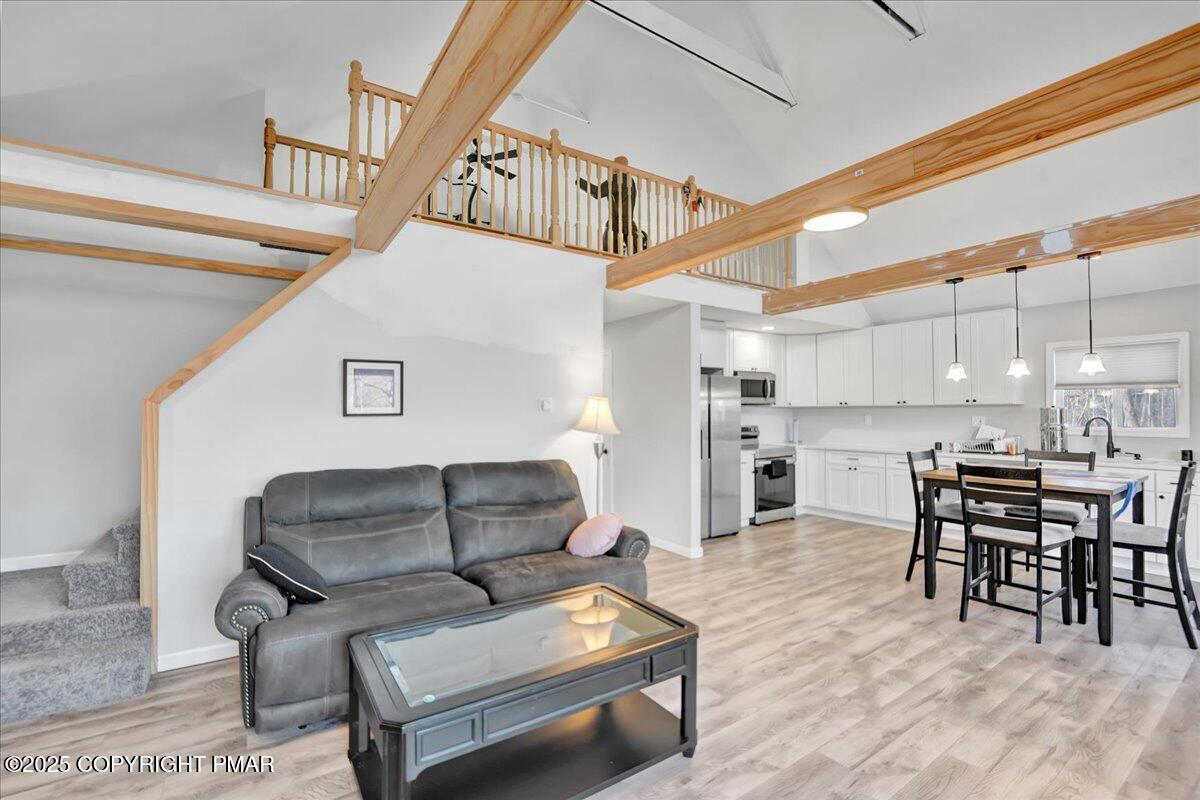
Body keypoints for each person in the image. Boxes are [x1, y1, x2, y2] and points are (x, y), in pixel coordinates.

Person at [577, 156, 649, 254]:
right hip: (628, 223)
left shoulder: (617, 179)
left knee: (608, 252)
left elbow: (597, 192)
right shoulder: (631, 181)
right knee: (634, 252)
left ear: (615, 167)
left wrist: (579, 181)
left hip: (616, 223)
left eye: (613, 164)